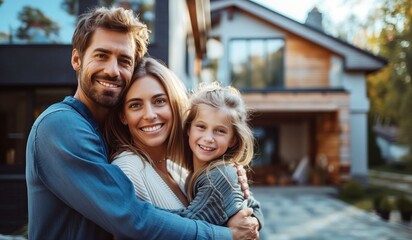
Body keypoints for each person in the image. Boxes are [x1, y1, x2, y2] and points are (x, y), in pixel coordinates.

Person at [25, 6, 258, 240]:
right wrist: (227, 235)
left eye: (124, 61)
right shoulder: (60, 125)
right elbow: (133, 218)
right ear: (77, 59)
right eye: (101, 55)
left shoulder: (173, 168)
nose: (112, 70)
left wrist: (247, 211)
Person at [104, 57, 261, 223]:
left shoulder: (180, 170)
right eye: (135, 105)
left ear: (174, 105)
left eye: (159, 101)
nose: (150, 115)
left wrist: (251, 220)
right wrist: (230, 233)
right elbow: (144, 225)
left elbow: (197, 223)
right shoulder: (127, 168)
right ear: (123, 115)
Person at [169, 82, 263, 228]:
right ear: (188, 128)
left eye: (220, 130)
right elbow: (256, 207)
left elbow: (186, 227)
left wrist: (137, 209)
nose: (208, 138)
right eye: (201, 126)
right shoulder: (198, 174)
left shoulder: (219, 177)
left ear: (233, 139)